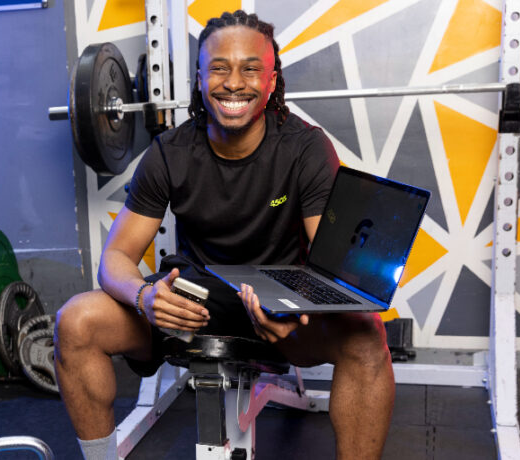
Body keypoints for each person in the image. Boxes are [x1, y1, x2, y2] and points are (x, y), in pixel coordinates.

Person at [54, 10, 394, 460]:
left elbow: (334, 269)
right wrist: (144, 298)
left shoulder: (306, 149)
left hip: (277, 310)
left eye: (251, 68)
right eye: (219, 68)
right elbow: (115, 258)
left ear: (272, 81)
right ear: (199, 79)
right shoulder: (169, 153)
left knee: (366, 336)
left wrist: (296, 310)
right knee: (76, 320)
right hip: (193, 305)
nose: (234, 82)